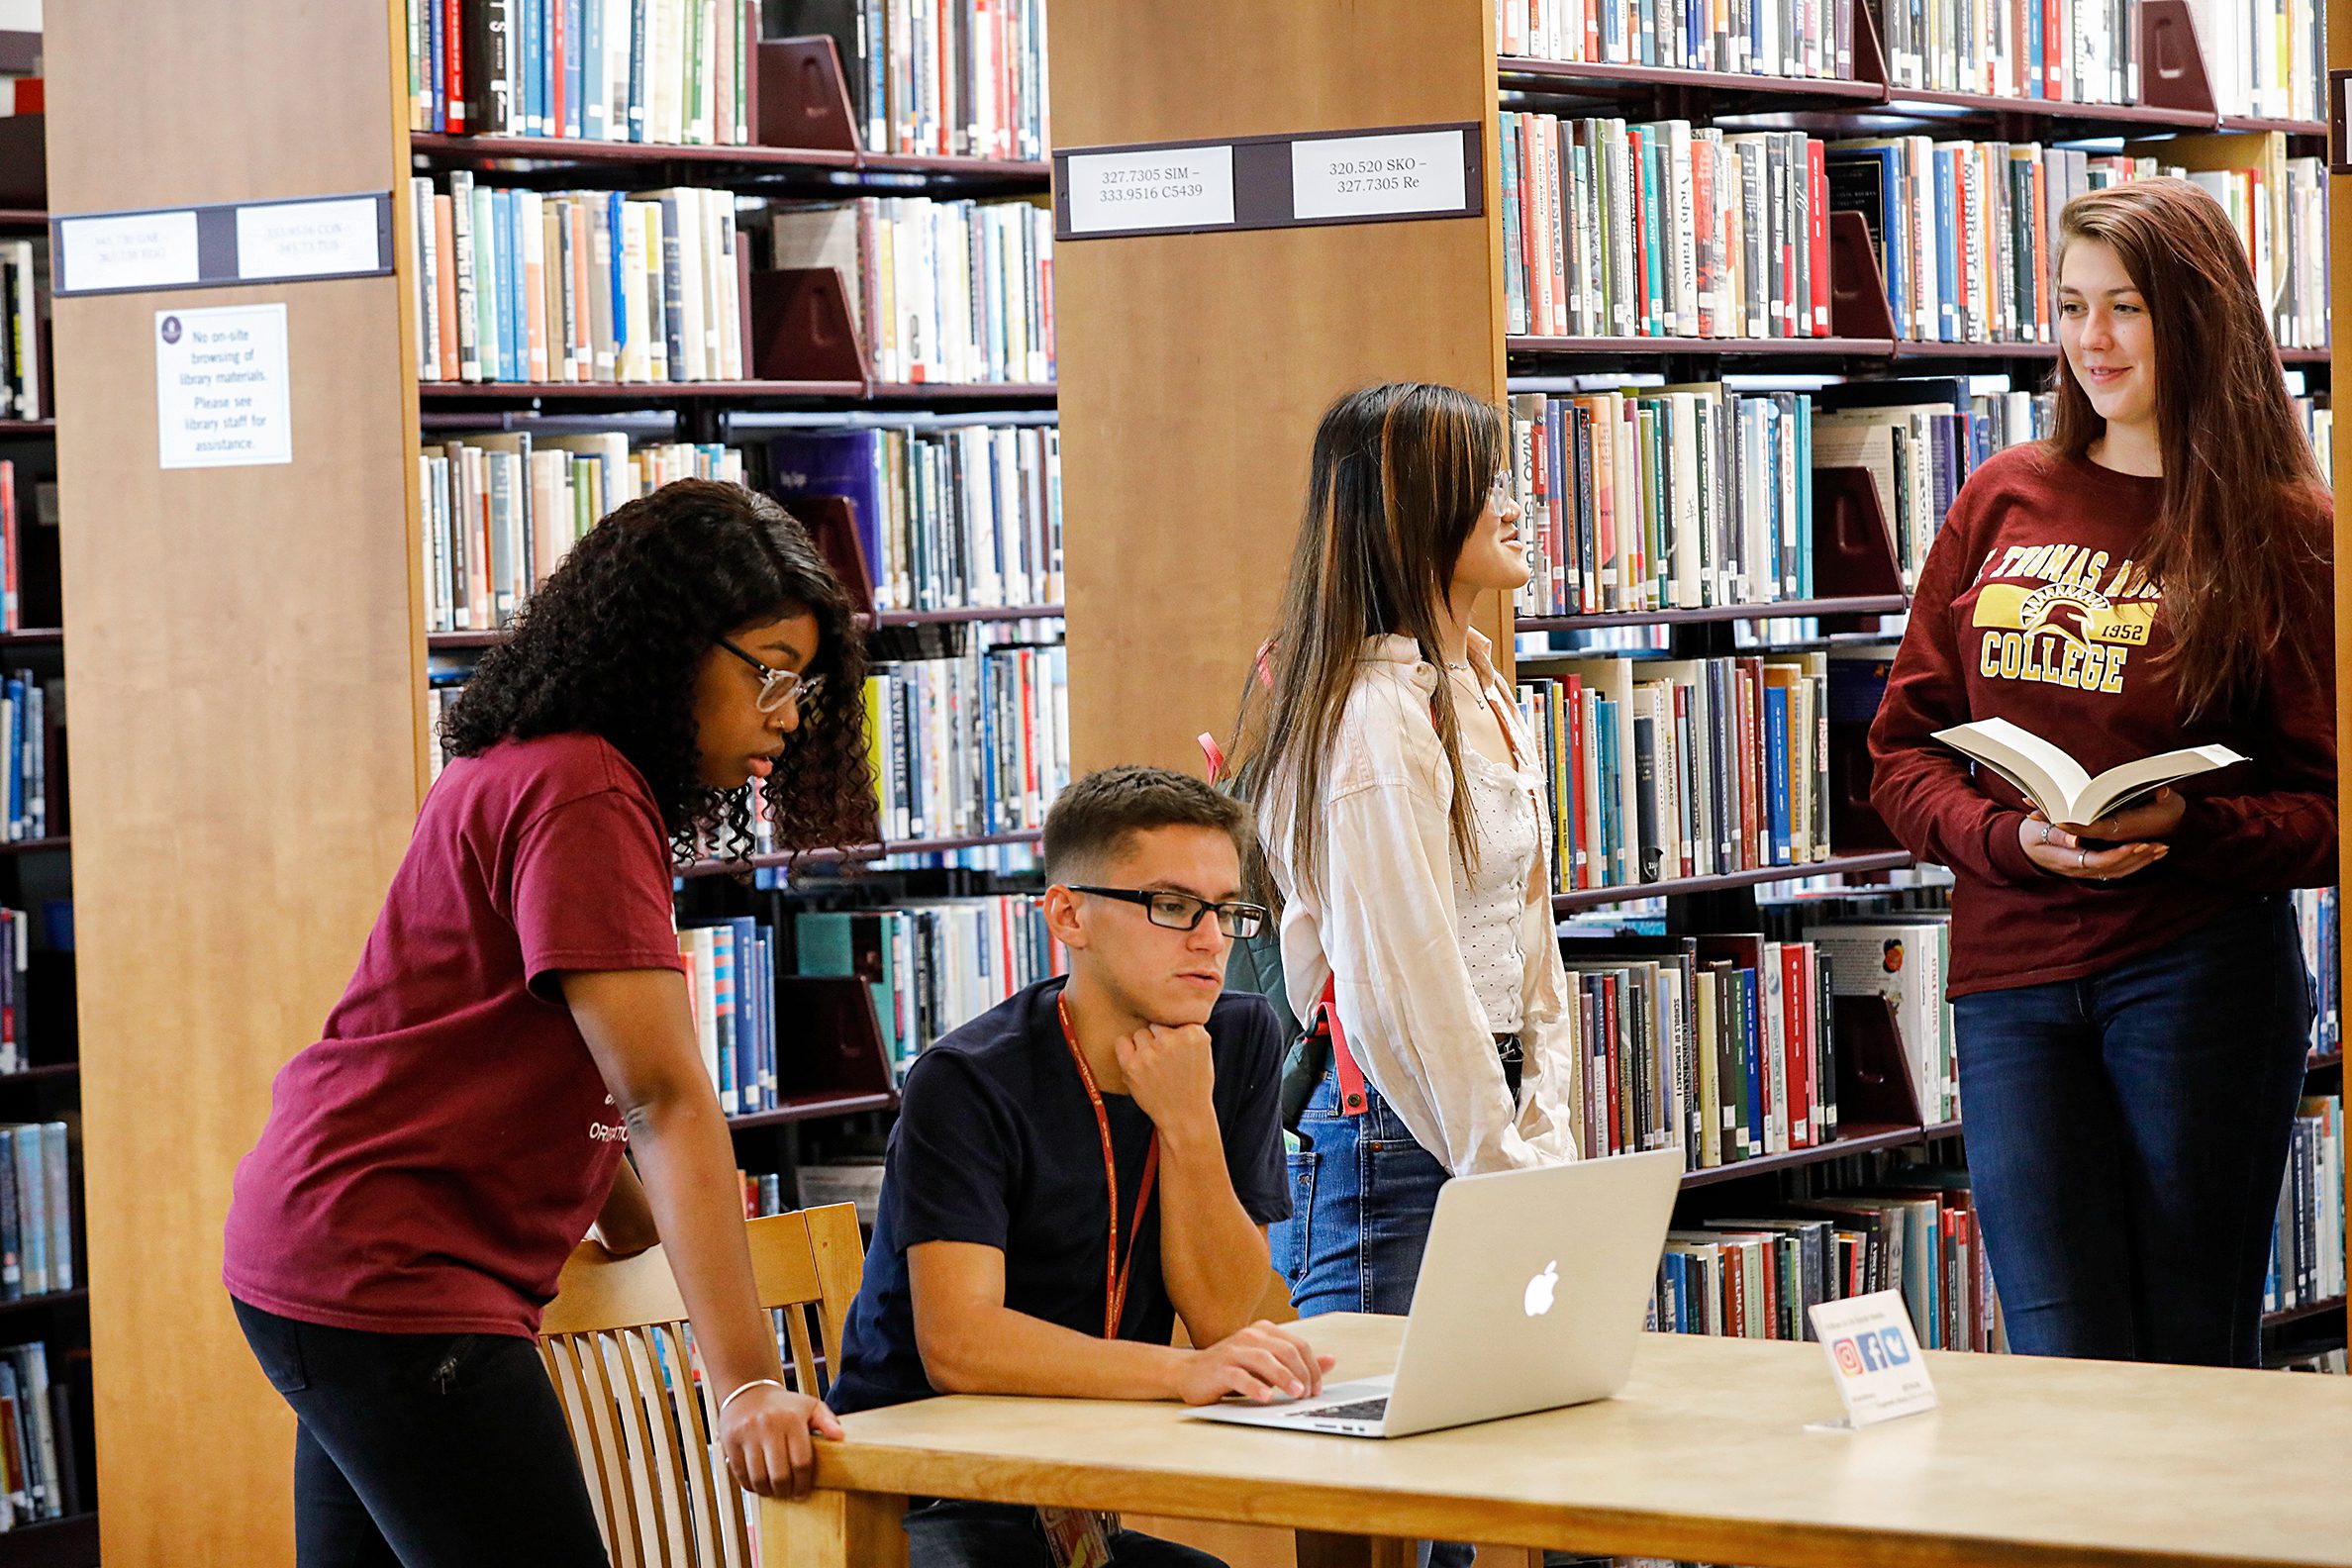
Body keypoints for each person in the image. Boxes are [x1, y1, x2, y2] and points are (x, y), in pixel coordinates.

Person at [222, 479, 878, 1565]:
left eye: (800, 684)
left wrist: (618, 1211)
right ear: (668, 647)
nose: (788, 713)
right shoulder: (583, 792)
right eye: (768, 671)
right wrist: (750, 1381)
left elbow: (517, 1049)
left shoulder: (534, 763)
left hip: (319, 1251)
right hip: (397, 1276)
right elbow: (660, 1098)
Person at [1869, 177, 2335, 1367]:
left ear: (2199, 317)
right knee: (2056, 1353)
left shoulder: (2284, 528)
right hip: (2010, 978)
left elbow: (2328, 808)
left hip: (2194, 978)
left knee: (2188, 1348)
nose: (2093, 340)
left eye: (2125, 307)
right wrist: (2005, 839)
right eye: (2073, 307)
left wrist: (2191, 828)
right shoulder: (2001, 499)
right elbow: (1903, 754)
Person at [1220, 382, 1584, 1568]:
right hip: (1395, 1139)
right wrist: (1499, 1161)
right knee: (1370, 1506)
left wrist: (1544, 1130)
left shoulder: (1477, 687)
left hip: (1479, 1126)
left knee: (1471, 1495)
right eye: (1489, 482)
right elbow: (1401, 980)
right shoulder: (1375, 718)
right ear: (1412, 509)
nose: (1518, 504)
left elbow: (1530, 949)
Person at [830, 765, 1323, 1568]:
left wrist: (1189, 1122)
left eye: (1228, 910)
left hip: (1081, 1487)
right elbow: (960, 1344)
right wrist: (1181, 1375)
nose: (1210, 939)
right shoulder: (964, 1080)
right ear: (1069, 915)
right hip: (927, 1491)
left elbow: (1228, 1317)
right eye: (1171, 906)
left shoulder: (1236, 1040)